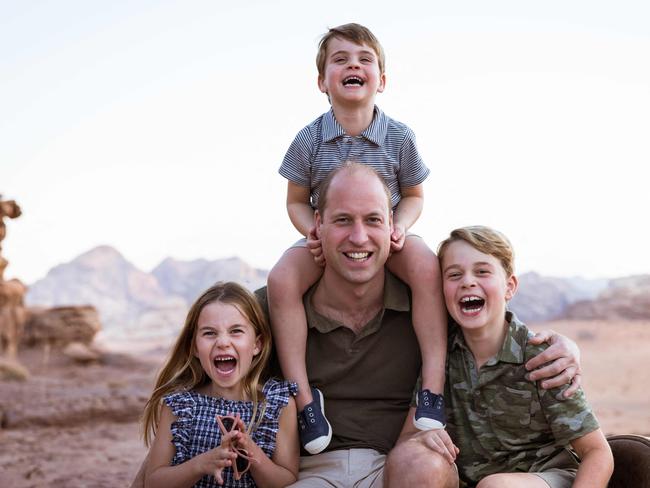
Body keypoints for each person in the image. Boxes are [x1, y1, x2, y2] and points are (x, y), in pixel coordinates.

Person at [258, 163, 584, 487]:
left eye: (373, 220)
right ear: (318, 224)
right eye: (343, 220)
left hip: (396, 467)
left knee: (423, 464)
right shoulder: (276, 305)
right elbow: (217, 340)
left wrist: (564, 346)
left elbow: (490, 328)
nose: (359, 237)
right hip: (310, 472)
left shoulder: (427, 304)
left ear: (392, 226)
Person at [267, 23, 448, 455]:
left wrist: (399, 225)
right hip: (329, 237)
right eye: (341, 59)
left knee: (426, 266)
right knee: (280, 281)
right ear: (321, 81)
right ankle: (305, 401)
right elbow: (294, 200)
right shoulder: (309, 139)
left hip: (386, 234)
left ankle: (433, 388)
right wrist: (310, 228)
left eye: (365, 59)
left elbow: (415, 194)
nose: (354, 65)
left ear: (381, 80)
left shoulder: (399, 136)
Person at [431, 226, 613, 488]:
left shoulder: (542, 357)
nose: (467, 281)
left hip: (545, 478)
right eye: (454, 274)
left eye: (482, 271)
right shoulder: (440, 353)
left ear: (509, 287)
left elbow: (597, 452)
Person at [140, 282, 299, 488]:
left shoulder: (278, 404)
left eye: (236, 331)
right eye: (209, 333)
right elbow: (153, 482)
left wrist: (249, 450)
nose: (223, 342)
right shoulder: (180, 406)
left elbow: (286, 480)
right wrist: (200, 464)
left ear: (257, 344)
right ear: (195, 347)